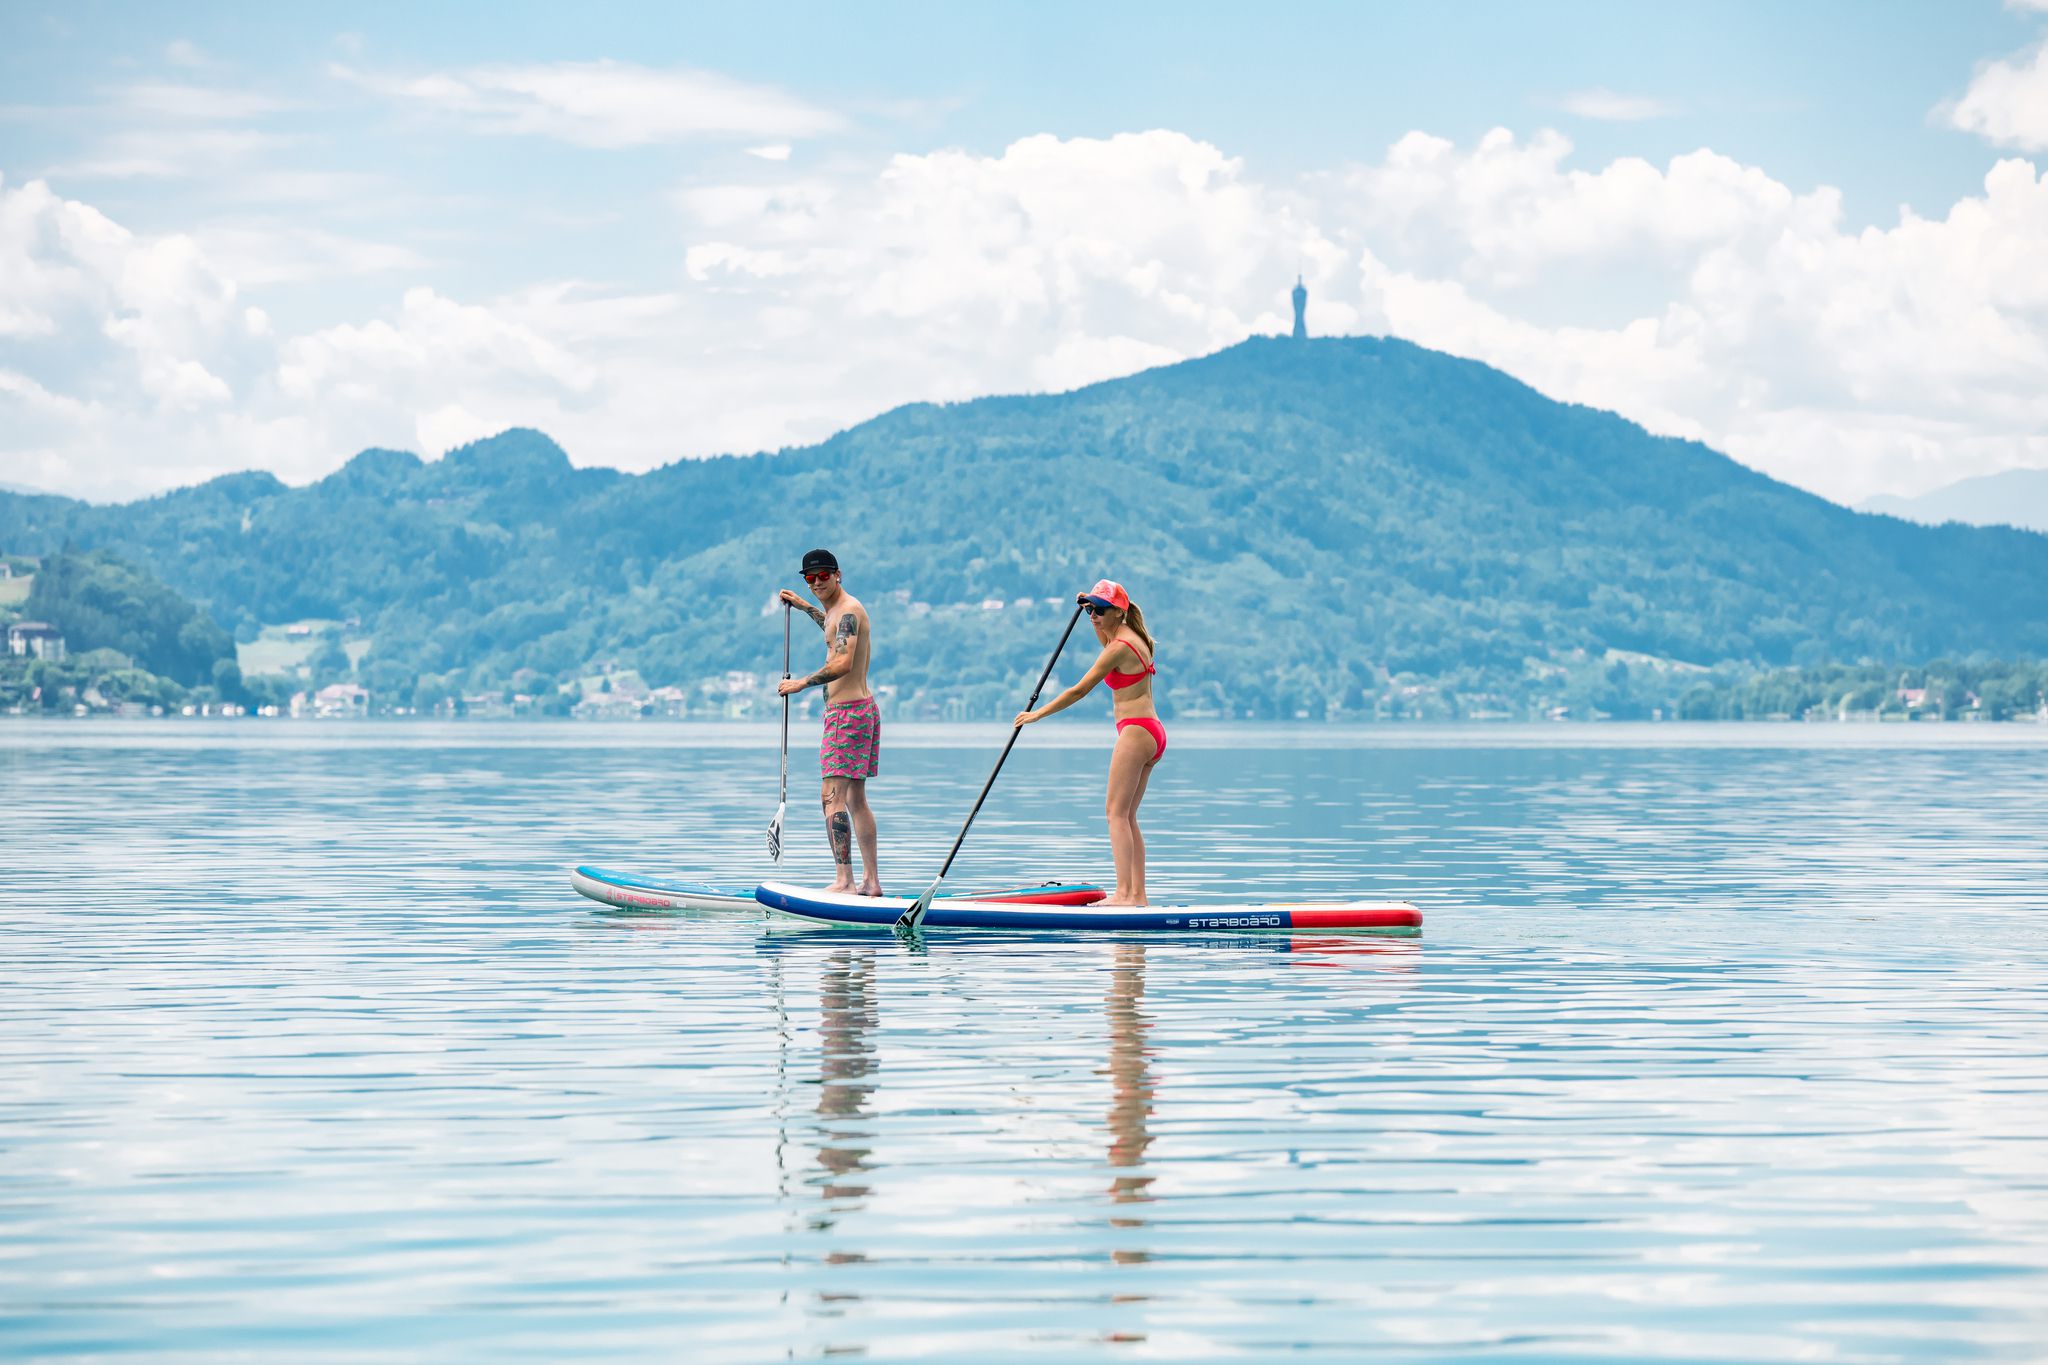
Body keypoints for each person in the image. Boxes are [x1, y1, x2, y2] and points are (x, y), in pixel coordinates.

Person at [1013, 579, 1163, 905]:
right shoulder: (1134, 638)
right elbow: (1104, 638)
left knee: (1115, 815)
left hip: (1136, 732)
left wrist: (1037, 714)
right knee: (1128, 816)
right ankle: (1138, 896)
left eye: (1100, 610)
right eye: (1091, 609)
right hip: (1151, 731)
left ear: (1119, 612)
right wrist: (1088, 609)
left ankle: (1124, 895)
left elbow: (1079, 690)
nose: (1094, 616)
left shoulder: (1119, 648)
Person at [777, 549, 883, 895]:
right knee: (855, 800)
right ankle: (870, 883)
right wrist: (803, 605)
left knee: (831, 796)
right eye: (810, 579)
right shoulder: (840, 611)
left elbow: (843, 663)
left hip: (847, 716)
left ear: (838, 574)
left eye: (823, 575)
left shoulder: (849, 610)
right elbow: (832, 628)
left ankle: (845, 882)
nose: (817, 582)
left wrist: (801, 683)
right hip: (861, 710)